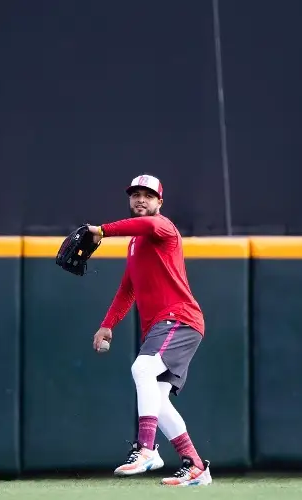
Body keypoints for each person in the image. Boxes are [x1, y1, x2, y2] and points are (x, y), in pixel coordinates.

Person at [86, 174, 212, 487]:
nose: (141, 200)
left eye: (148, 195)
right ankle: (196, 466)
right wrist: (107, 325)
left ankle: (146, 449)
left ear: (159, 203)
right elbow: (128, 288)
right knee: (158, 398)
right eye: (135, 195)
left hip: (178, 318)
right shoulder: (134, 243)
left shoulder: (163, 227)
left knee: (142, 368)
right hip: (167, 324)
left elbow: (147, 226)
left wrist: (103, 231)